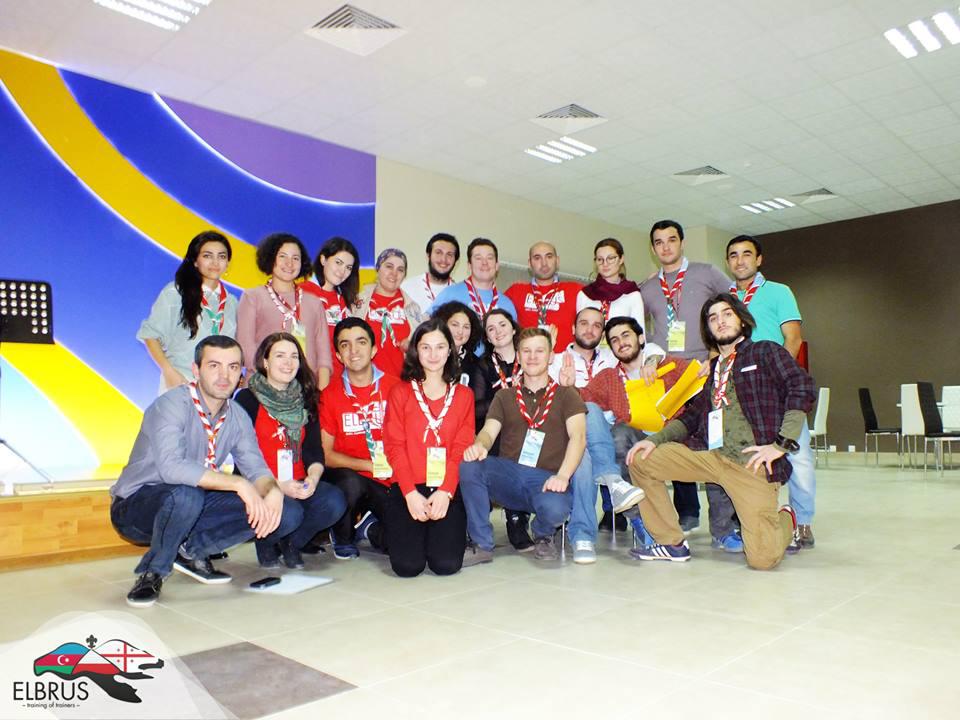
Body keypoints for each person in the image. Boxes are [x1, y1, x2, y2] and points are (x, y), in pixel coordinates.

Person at [626, 293, 815, 569]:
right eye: (712, 318)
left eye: (727, 314)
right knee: (641, 460)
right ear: (708, 329)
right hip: (712, 458)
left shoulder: (765, 352)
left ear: (741, 318)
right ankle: (671, 543)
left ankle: (787, 518)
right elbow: (692, 417)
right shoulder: (714, 369)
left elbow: (801, 387)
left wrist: (779, 445)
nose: (720, 321)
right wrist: (655, 440)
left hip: (751, 464)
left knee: (763, 559)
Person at [111, 336, 297, 607]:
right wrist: (240, 485)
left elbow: (256, 468)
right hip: (136, 505)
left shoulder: (236, 415)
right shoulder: (171, 405)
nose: (224, 375)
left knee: (284, 510)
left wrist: (273, 491)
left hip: (190, 502)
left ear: (242, 374)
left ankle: (190, 549)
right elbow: (172, 468)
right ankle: (153, 572)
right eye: (214, 366)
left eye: (233, 367)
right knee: (187, 495)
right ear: (196, 370)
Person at [460, 328, 597, 566]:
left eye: (539, 351)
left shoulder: (567, 395)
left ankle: (543, 533)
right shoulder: (505, 396)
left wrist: (563, 476)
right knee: (470, 464)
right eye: (526, 351)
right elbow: (488, 432)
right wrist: (480, 445)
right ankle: (482, 543)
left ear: (550, 356)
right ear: (519, 356)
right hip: (509, 474)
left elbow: (579, 437)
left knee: (556, 510)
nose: (532, 357)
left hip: (548, 479)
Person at [639, 220, 735, 546]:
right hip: (669, 377)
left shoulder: (707, 273)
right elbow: (641, 331)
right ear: (652, 249)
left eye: (671, 240)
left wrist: (715, 351)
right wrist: (652, 353)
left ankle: (724, 526)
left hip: (707, 372)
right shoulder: (648, 288)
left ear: (682, 243)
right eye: (659, 242)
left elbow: (733, 307)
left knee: (713, 443)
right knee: (674, 441)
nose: (665, 247)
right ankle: (688, 512)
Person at [726, 234, 815, 550]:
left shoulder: (779, 292)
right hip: (742, 395)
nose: (740, 260)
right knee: (749, 457)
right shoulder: (726, 300)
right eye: (733, 255)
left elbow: (793, 339)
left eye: (746, 254)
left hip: (779, 388)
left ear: (759, 259)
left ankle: (803, 523)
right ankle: (756, 520)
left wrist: (779, 377)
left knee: (798, 454)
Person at [234, 333, 347, 569]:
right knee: (291, 512)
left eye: (294, 356)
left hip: (296, 480)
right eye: (280, 356)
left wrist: (312, 480)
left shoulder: (305, 398)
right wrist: (276, 485)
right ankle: (266, 541)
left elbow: (315, 452)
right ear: (265, 362)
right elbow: (242, 459)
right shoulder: (247, 398)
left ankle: (292, 544)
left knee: (334, 500)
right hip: (261, 483)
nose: (288, 362)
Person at [382, 318, 475, 577]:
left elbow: (461, 447)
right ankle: (380, 527)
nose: (433, 354)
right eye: (425, 347)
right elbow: (394, 446)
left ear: (450, 351)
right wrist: (410, 493)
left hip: (445, 488)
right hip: (407, 487)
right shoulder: (400, 392)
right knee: (407, 567)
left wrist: (446, 492)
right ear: (416, 350)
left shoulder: (464, 395)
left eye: (440, 347)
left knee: (445, 565)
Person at [319, 318, 401, 559]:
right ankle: (343, 535)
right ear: (338, 354)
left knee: (403, 545)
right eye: (345, 345)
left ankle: (368, 527)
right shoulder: (330, 395)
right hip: (351, 478)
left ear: (374, 350)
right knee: (350, 483)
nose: (353, 351)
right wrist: (369, 466)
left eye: (361, 342)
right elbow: (326, 455)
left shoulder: (396, 388)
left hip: (390, 480)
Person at [548, 307, 621, 531]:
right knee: (586, 411)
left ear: (602, 333)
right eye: (584, 323)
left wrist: (651, 360)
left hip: (610, 428)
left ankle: (581, 531)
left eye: (597, 325)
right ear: (573, 328)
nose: (590, 330)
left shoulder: (614, 358)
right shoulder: (557, 361)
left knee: (589, 450)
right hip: (570, 431)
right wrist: (567, 389)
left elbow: (649, 350)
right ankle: (611, 478)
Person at [138, 231, 238, 394]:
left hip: (217, 390)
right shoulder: (175, 292)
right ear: (195, 261)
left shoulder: (232, 302)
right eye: (207, 256)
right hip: (180, 384)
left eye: (221, 256)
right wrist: (169, 372)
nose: (215, 262)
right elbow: (151, 335)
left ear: (227, 263)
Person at [236, 233, 333, 389]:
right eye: (282, 256)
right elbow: (246, 347)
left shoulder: (314, 302)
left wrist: (320, 393)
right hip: (261, 388)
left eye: (296, 258)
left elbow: (324, 356)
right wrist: (275, 380)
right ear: (270, 258)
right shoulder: (252, 297)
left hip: (304, 391)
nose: (290, 263)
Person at [480, 308, 535, 552]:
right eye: (491, 329)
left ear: (513, 328)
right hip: (497, 427)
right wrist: (505, 401)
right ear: (487, 337)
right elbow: (477, 406)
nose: (497, 332)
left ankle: (521, 514)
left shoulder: (530, 356)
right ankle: (514, 516)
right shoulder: (481, 365)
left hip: (531, 426)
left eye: (502, 325)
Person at [353, 248, 423, 378]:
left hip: (402, 384)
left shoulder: (413, 309)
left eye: (400, 270)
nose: (394, 273)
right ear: (378, 268)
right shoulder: (357, 303)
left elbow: (424, 349)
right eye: (389, 267)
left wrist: (412, 346)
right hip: (364, 383)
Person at [505, 242, 582, 351]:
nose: (544, 263)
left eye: (549, 256)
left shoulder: (576, 290)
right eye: (537, 258)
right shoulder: (515, 291)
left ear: (557, 260)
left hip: (565, 363)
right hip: (529, 362)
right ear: (530, 263)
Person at [301, 236, 361, 377]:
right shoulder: (302, 292)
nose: (342, 271)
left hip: (340, 378)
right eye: (338, 263)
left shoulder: (348, 300)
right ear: (323, 260)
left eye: (348, 268)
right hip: (309, 376)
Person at [430, 238, 517, 328]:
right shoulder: (450, 294)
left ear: (497, 265)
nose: (484, 263)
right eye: (478, 258)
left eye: (490, 258)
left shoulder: (507, 304)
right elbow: (428, 324)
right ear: (469, 265)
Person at [576, 238, 644, 330]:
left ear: (621, 259)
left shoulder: (632, 294)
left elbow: (640, 335)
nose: (605, 264)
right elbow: (579, 332)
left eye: (611, 258)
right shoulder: (585, 294)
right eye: (600, 259)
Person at [401, 232, 460, 312]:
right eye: (438, 252)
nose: (443, 259)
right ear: (428, 256)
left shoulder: (461, 294)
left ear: (455, 261)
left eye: (449, 254)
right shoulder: (407, 288)